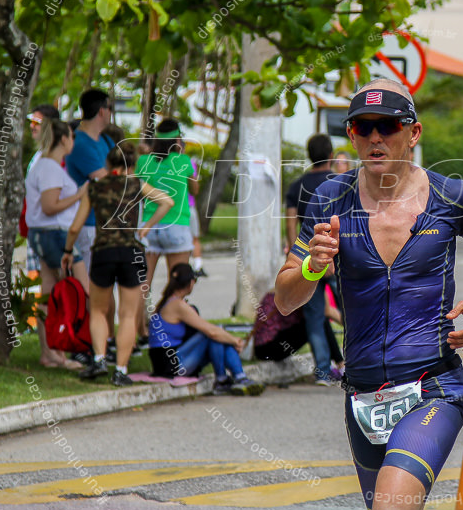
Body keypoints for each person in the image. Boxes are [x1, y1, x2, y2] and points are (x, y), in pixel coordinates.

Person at [273, 78, 463, 510]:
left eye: (388, 126)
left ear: (414, 132)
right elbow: (284, 299)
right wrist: (312, 266)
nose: (374, 138)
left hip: (433, 384)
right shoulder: (327, 201)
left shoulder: (452, 196)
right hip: (363, 395)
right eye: (363, 127)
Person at [62, 143, 174, 386]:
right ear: (131, 165)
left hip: (103, 253)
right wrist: (146, 227)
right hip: (131, 253)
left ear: (107, 165)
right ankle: (121, 371)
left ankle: (100, 359)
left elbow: (74, 227)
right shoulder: (136, 185)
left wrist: (68, 250)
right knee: (127, 314)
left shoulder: (95, 187)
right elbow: (167, 202)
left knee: (99, 311)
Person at [25, 120, 88, 370]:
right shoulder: (50, 168)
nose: (73, 142)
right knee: (83, 291)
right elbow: (50, 206)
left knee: (48, 294)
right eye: (72, 136)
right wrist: (79, 195)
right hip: (55, 234)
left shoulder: (43, 165)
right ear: (64, 139)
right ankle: (78, 345)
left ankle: (52, 351)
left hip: (42, 233)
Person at [148, 264, 263, 395]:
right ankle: (222, 380)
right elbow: (211, 331)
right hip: (169, 365)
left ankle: (240, 377)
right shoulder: (177, 305)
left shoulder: (168, 302)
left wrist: (228, 339)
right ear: (191, 283)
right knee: (212, 335)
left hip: (169, 362)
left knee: (218, 339)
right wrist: (235, 341)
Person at [284, 133, 338, 385]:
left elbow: (291, 223)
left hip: (308, 257)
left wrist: (295, 254)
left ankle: (323, 372)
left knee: (315, 317)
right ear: (330, 156)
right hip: (338, 256)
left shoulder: (297, 186)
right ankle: (357, 367)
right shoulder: (340, 183)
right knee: (353, 313)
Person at [136, 118, 197, 288]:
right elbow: (195, 190)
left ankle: (139, 315)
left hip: (148, 227)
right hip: (177, 225)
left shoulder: (143, 161)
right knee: (177, 286)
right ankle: (168, 314)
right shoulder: (183, 161)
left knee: (142, 286)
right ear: (177, 139)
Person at [65, 89, 115, 270]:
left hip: (104, 224)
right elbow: (109, 180)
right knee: (93, 288)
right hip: (88, 225)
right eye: (110, 108)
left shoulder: (106, 140)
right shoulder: (80, 143)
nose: (111, 113)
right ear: (102, 111)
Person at [25, 105, 62, 274]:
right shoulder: (39, 155)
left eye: (36, 122)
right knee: (39, 282)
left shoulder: (57, 155)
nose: (32, 126)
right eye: (31, 121)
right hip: (37, 226)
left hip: (52, 229)